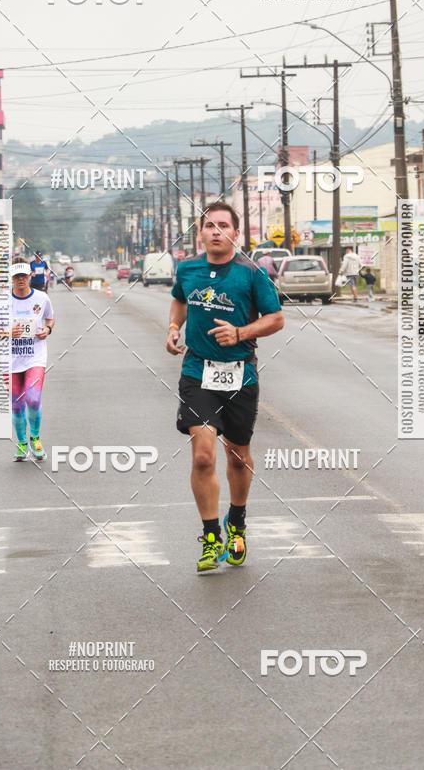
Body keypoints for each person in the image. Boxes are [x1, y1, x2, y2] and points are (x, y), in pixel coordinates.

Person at [167, 201, 284, 573]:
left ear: (235, 233)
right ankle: (211, 535)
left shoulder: (251, 273)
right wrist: (173, 328)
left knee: (237, 454)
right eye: (208, 225)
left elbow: (276, 318)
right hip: (197, 372)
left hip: (240, 374)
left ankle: (237, 520)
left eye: (222, 225)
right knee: (203, 455)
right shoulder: (188, 269)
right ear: (200, 233)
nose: (215, 231)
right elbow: (179, 300)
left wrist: (241, 333)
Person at [0, 261, 55, 462]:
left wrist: (48, 330)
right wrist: (8, 332)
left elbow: (50, 319)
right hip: (9, 359)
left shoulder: (42, 298)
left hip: (35, 357)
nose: (20, 279)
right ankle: (21, 443)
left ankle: (35, 438)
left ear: (30, 276)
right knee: (17, 404)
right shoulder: (1, 302)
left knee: (34, 398)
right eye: (16, 276)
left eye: (24, 276)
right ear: (11, 278)